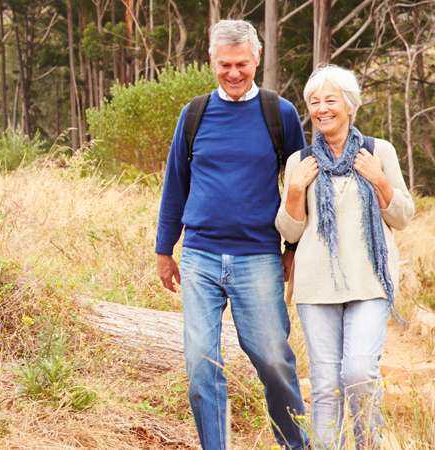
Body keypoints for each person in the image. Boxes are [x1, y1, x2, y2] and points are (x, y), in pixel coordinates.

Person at [155, 19, 308, 450]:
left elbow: (299, 186)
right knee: (202, 364)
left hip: (257, 256)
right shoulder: (194, 114)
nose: (234, 73)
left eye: (242, 64)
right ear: (212, 61)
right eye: (225, 65)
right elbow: (176, 184)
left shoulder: (279, 114)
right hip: (200, 256)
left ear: (257, 59)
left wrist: (293, 248)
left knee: (273, 358)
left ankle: (296, 443)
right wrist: (164, 249)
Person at [276, 65, 414, 449]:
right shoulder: (299, 162)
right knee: (324, 384)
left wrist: (380, 180)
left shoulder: (378, 151)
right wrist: (295, 190)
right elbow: (289, 233)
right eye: (314, 102)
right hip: (316, 287)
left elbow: (402, 217)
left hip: (369, 282)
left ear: (349, 106)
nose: (321, 109)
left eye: (330, 100)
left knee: (358, 373)